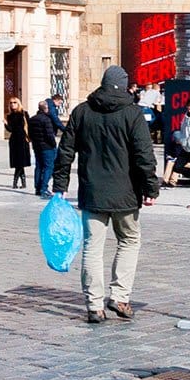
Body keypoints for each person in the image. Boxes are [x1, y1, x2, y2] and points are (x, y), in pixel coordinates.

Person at [52, 66, 160, 324]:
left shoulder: (81, 112)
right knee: (129, 240)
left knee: (92, 247)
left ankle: (94, 305)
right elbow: (144, 156)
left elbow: (65, 151)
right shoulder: (133, 114)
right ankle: (120, 297)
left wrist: (60, 185)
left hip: (92, 193)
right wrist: (150, 189)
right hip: (126, 194)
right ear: (124, 86)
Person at [29, 99, 61, 197]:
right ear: (46, 109)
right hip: (47, 147)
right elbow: (49, 135)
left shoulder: (32, 119)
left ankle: (37, 188)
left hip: (36, 146)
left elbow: (30, 133)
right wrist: (53, 145)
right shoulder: (47, 120)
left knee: (39, 166)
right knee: (49, 167)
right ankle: (44, 188)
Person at [4, 97, 32, 190]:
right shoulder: (10, 115)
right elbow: (10, 129)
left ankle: (15, 182)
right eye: (11, 103)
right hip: (14, 140)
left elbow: (29, 126)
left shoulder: (24, 114)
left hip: (23, 140)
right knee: (18, 162)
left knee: (20, 162)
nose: (13, 104)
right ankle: (23, 183)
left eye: (15, 102)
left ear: (18, 103)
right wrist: (5, 124)